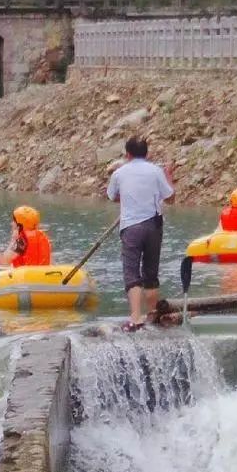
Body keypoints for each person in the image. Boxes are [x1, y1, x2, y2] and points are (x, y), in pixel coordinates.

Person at [106, 134, 174, 332]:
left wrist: (127, 198)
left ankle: (135, 318)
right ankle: (152, 316)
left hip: (131, 227)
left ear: (127, 154)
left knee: (132, 273)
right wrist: (168, 175)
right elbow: (170, 198)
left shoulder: (119, 173)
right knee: (151, 273)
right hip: (154, 226)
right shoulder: (156, 171)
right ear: (147, 153)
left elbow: (112, 196)